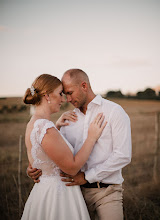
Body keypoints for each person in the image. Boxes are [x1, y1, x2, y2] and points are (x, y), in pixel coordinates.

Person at [28, 69, 132, 220]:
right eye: (64, 94)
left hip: (107, 192)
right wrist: (36, 166)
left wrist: (87, 177)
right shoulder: (67, 119)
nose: (67, 99)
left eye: (69, 92)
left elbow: (123, 156)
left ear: (84, 86)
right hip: (74, 194)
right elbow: (57, 154)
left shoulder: (114, 112)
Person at [21, 73, 107, 220]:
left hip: (44, 193)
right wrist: (91, 137)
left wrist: (57, 128)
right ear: (47, 96)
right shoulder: (45, 127)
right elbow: (72, 168)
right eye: (60, 94)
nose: (63, 99)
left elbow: (42, 157)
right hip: (58, 197)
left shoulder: (34, 123)